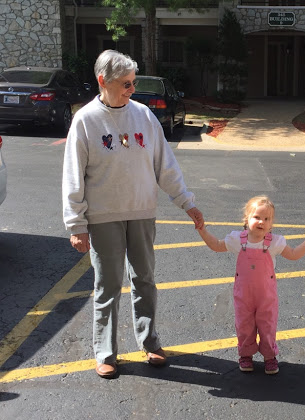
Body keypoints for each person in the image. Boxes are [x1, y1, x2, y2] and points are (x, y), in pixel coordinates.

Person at [62, 50, 204, 379]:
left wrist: (187, 202)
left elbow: (165, 165)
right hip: (103, 217)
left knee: (144, 279)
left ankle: (150, 342)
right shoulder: (86, 120)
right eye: (126, 83)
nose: (132, 89)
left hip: (141, 212)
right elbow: (73, 176)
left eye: (133, 82)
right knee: (107, 285)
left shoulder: (143, 115)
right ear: (103, 81)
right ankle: (105, 352)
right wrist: (76, 224)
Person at [197, 195, 305, 374]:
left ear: (271, 223)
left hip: (266, 296)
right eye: (257, 217)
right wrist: (202, 231)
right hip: (243, 296)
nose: (262, 222)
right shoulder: (238, 240)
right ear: (246, 219)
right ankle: (245, 355)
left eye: (267, 219)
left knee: (267, 325)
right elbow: (216, 245)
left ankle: (270, 356)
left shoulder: (274, 242)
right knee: (244, 325)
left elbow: (293, 254)